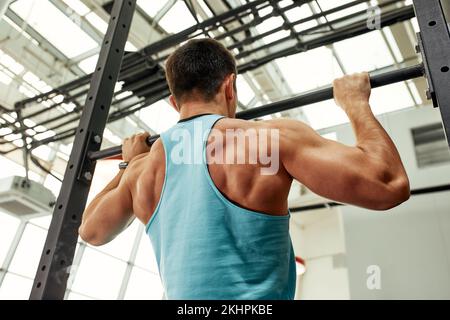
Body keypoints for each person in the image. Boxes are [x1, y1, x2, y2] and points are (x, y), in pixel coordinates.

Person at [79, 38, 410, 299]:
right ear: (230, 87)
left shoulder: (143, 169)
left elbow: (91, 231)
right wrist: (356, 104)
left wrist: (127, 165)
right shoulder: (268, 139)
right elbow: (388, 183)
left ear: (174, 102)